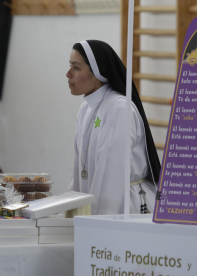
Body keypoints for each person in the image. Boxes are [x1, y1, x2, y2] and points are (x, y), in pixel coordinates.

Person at [67, 40, 161, 215]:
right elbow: (78, 170)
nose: (68, 74)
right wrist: (73, 213)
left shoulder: (118, 108)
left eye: (76, 68)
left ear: (97, 73)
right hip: (94, 209)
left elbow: (111, 176)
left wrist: (95, 224)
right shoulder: (85, 108)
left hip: (125, 208)